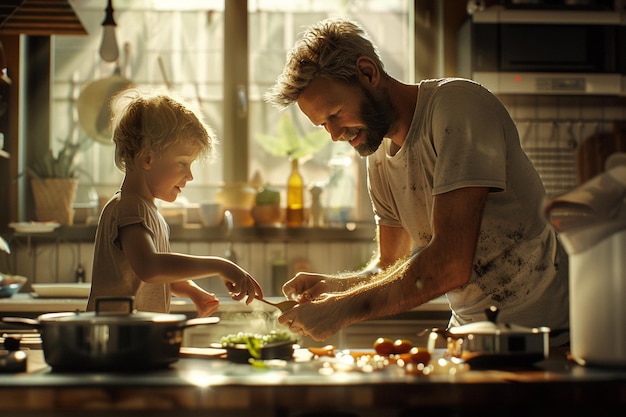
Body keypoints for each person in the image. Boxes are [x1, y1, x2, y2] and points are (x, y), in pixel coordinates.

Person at [264, 18, 569, 346]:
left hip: (546, 341)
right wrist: (333, 288)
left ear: (368, 73)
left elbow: (449, 265)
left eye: (336, 113)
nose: (336, 135)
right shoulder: (378, 155)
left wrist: (340, 311)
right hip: (470, 340)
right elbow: (388, 267)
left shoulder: (458, 108)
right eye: (324, 125)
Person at [87, 88, 263, 316]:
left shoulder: (148, 211)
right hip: (116, 341)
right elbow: (150, 268)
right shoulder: (129, 208)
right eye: (182, 163)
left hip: (135, 339)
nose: (190, 176)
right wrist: (221, 265)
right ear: (148, 158)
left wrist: (191, 290)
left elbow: (156, 277)